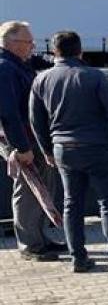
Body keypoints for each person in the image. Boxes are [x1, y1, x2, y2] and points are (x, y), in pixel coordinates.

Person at [30, 30, 108, 273]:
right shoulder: (94, 77)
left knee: (71, 204)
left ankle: (79, 259)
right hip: (97, 148)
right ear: (80, 50)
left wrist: (47, 151)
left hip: (64, 150)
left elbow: (36, 120)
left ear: (54, 51)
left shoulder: (41, 80)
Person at [0, 20, 66, 261]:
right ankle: (30, 245)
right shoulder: (5, 68)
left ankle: (41, 239)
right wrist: (22, 148)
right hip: (22, 140)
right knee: (29, 191)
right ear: (13, 43)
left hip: (34, 138)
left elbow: (44, 63)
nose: (33, 46)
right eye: (29, 42)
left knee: (43, 190)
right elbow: (8, 113)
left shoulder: (20, 63)